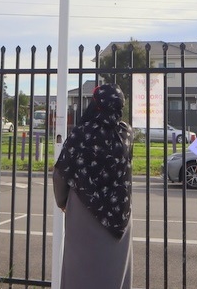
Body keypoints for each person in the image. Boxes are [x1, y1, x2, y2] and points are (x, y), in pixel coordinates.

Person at [53, 84, 134, 289]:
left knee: (81, 271)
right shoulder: (126, 134)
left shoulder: (81, 133)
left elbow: (62, 172)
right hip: (120, 215)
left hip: (84, 209)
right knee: (115, 271)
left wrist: (62, 201)